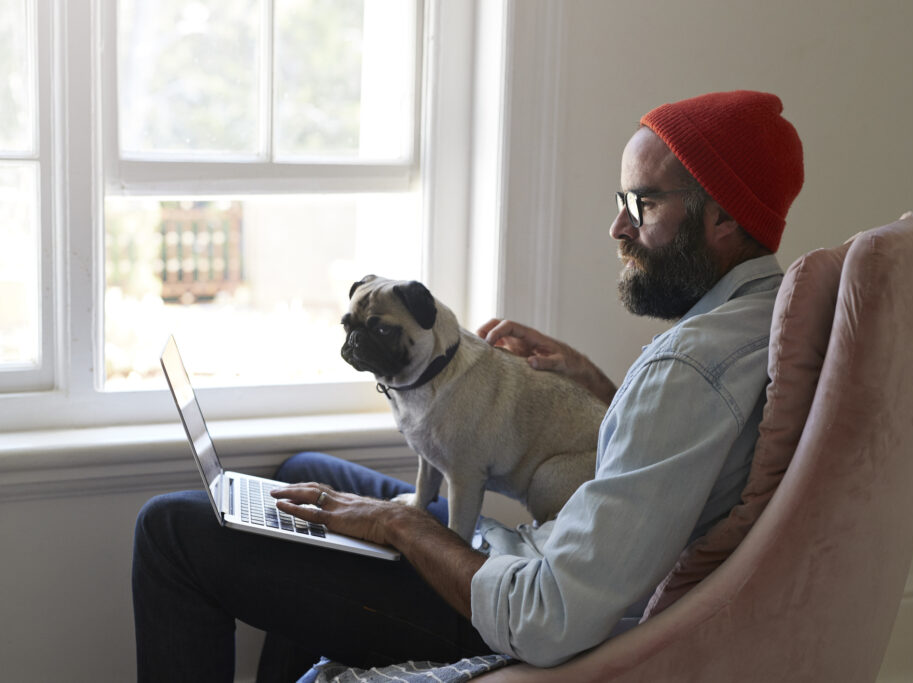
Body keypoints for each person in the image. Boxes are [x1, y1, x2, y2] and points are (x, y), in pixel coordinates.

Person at [132, 89, 804, 681]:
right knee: (301, 473)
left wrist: (405, 527)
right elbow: (667, 459)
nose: (617, 227)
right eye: (619, 200)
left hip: (511, 613)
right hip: (533, 561)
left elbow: (548, 618)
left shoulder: (687, 369)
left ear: (722, 218)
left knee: (169, 530)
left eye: (644, 202)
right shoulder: (755, 319)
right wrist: (603, 387)